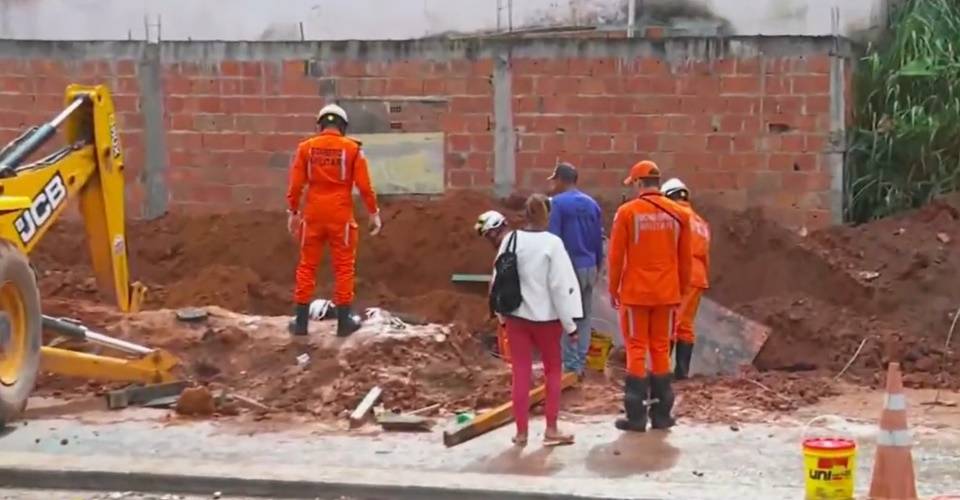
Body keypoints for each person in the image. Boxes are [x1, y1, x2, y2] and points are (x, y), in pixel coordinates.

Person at [608, 160, 692, 432]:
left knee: (636, 347)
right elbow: (685, 260)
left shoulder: (627, 213)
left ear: (637, 184)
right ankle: (661, 415)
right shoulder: (680, 214)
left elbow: (616, 256)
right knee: (659, 348)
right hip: (667, 294)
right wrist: (680, 291)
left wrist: (613, 288)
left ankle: (635, 416)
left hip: (635, 294)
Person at [286, 103, 383, 337]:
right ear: (343, 126)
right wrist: (374, 212)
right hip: (340, 216)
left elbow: (296, 185)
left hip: (313, 215)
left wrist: (293, 212)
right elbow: (365, 187)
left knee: (307, 266)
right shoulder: (352, 149)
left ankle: (300, 323)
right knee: (343, 268)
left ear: (320, 125)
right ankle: (343, 323)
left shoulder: (306, 149)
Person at [492, 194, 581, 447]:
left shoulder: (511, 239)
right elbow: (560, 288)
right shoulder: (552, 244)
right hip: (548, 321)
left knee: (520, 373)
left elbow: (496, 279)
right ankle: (551, 430)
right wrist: (571, 326)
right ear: (547, 215)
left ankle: (521, 433)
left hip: (515, 318)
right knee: (553, 372)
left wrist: (501, 316)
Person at [546, 162, 604, 377]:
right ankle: (580, 360)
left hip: (569, 269)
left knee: (567, 317)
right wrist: (598, 265)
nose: (553, 185)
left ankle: (571, 368)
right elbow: (599, 240)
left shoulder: (557, 204)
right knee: (585, 317)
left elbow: (554, 240)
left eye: (554, 180)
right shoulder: (592, 204)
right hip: (589, 266)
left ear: (561, 180)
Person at [661, 178, 710, 380]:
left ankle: (661, 372)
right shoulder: (700, 221)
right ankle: (682, 373)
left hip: (681, 273)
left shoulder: (675, 217)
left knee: (671, 322)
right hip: (698, 276)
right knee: (685, 325)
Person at [475, 210, 512, 362]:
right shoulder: (512, 243)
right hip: (512, 310)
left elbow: (497, 283)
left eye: (489, 235)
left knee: (512, 358)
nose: (489, 241)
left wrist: (493, 307)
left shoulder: (509, 246)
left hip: (513, 312)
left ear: (496, 229)